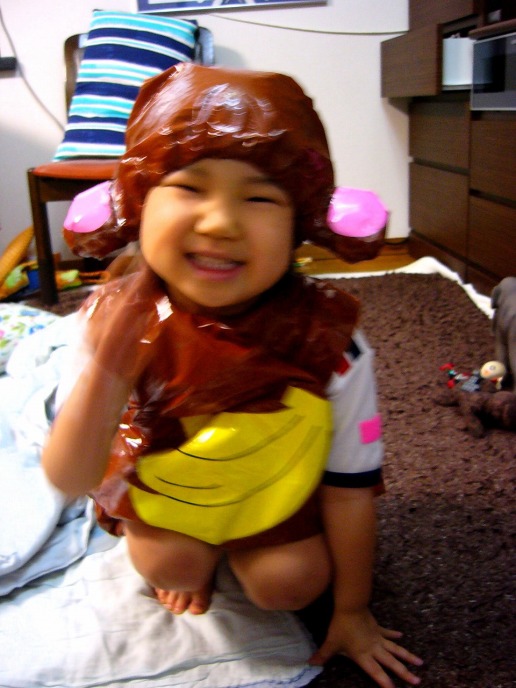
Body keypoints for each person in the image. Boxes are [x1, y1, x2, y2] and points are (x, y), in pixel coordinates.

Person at [42, 63, 423, 688]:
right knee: (170, 564)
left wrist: (354, 610)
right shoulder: (113, 322)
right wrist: (110, 363)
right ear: (134, 204)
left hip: (277, 497)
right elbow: (69, 476)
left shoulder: (333, 345)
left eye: (259, 197)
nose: (220, 223)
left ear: (304, 221)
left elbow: (350, 488)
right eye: (189, 188)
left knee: (290, 584)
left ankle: (251, 553)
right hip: (167, 487)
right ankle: (187, 549)